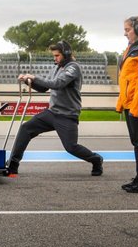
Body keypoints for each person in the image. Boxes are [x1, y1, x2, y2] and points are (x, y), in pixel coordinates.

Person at [6, 42, 103, 177]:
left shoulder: (73, 68)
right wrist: (29, 81)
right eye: (54, 56)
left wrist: (35, 77)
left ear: (67, 54)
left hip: (67, 115)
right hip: (52, 113)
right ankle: (12, 165)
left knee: (71, 147)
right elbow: (44, 88)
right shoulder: (57, 67)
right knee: (25, 128)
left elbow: (58, 84)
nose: (55, 58)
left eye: (57, 55)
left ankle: (96, 159)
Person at [116, 16, 138, 193]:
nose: (125, 33)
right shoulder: (132, 48)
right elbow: (126, 78)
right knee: (137, 143)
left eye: (128, 29)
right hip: (132, 103)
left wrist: (135, 107)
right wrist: (122, 102)